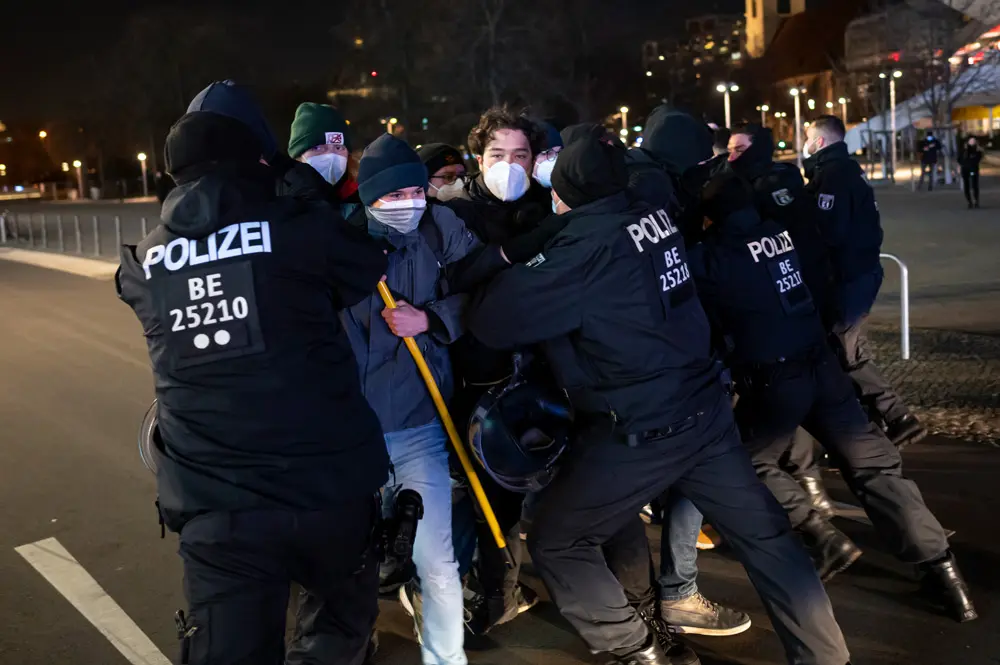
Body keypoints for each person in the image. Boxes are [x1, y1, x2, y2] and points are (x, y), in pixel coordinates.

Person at [468, 133, 852, 665]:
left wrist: (527, 248)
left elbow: (493, 319)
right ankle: (827, 657)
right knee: (768, 539)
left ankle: (636, 649)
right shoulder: (652, 214)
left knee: (558, 539)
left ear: (567, 193)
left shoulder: (584, 251)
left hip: (641, 428)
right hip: (705, 410)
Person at [115, 105, 390, 664]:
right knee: (338, 632)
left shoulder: (142, 262)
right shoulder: (298, 229)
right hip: (326, 487)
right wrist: (308, 195)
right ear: (256, 163)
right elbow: (365, 266)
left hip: (215, 504)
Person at [689, 170, 977, 622]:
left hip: (774, 378)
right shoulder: (777, 233)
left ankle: (820, 536)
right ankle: (945, 575)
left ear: (711, 218)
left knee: (744, 463)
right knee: (873, 467)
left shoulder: (711, 258)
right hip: (823, 367)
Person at [338, 132, 502, 665]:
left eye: (416, 192)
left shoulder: (439, 227)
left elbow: (484, 287)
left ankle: (446, 658)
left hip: (419, 425)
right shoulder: (337, 243)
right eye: (394, 195)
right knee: (351, 564)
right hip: (352, 436)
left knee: (438, 563)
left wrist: (430, 318)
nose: (408, 204)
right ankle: (352, 646)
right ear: (369, 197)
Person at [726, 122, 838, 516]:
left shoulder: (764, 191)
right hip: (795, 309)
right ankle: (810, 489)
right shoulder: (784, 181)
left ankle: (805, 497)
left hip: (784, 309)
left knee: (771, 414)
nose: (732, 157)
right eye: (730, 149)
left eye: (739, 149)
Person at [802, 116, 926, 449]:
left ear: (820, 142)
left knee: (847, 351)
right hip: (857, 274)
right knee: (841, 348)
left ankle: (898, 417)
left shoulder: (834, 175)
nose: (805, 143)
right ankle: (868, 423)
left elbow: (829, 230)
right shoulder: (844, 170)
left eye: (808, 137)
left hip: (850, 277)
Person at [286, 102, 360, 203]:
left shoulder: (364, 199)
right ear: (298, 155)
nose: (330, 155)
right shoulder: (280, 200)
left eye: (338, 147)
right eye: (317, 148)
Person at [959, 136, 984, 209]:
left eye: (973, 141)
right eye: (971, 141)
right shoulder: (964, 150)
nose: (972, 142)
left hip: (973, 170)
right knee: (966, 185)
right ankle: (969, 202)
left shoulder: (977, 151)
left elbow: (978, 159)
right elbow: (959, 159)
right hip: (965, 170)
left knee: (974, 185)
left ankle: (976, 201)